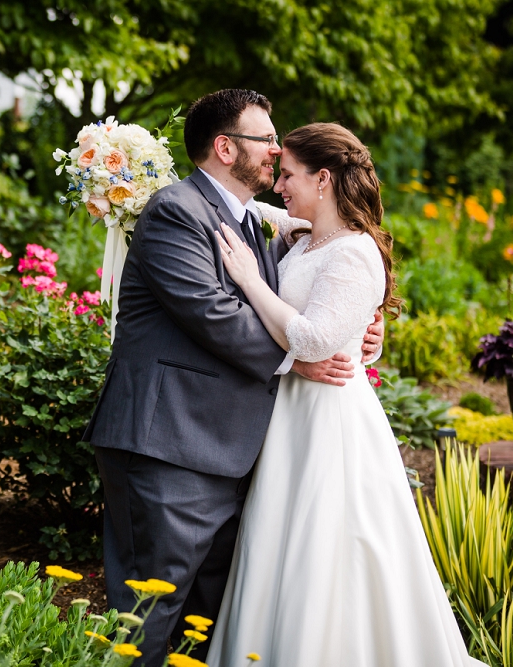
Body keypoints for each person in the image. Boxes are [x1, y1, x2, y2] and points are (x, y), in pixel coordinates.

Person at [82, 90, 383, 666]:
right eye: (266, 139)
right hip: (169, 444)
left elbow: (336, 272)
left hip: (233, 451)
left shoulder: (255, 223)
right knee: (147, 615)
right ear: (225, 148)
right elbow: (212, 314)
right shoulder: (177, 211)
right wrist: (301, 359)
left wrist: (362, 331)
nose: (276, 150)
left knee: (208, 623)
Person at [204, 123, 485, 666]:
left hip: (329, 418)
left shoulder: (355, 252)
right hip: (290, 414)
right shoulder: (305, 237)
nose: (278, 184)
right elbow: (256, 213)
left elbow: (314, 338)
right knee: (280, 540)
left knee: (328, 542)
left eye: (287, 175)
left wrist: (250, 280)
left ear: (324, 178)